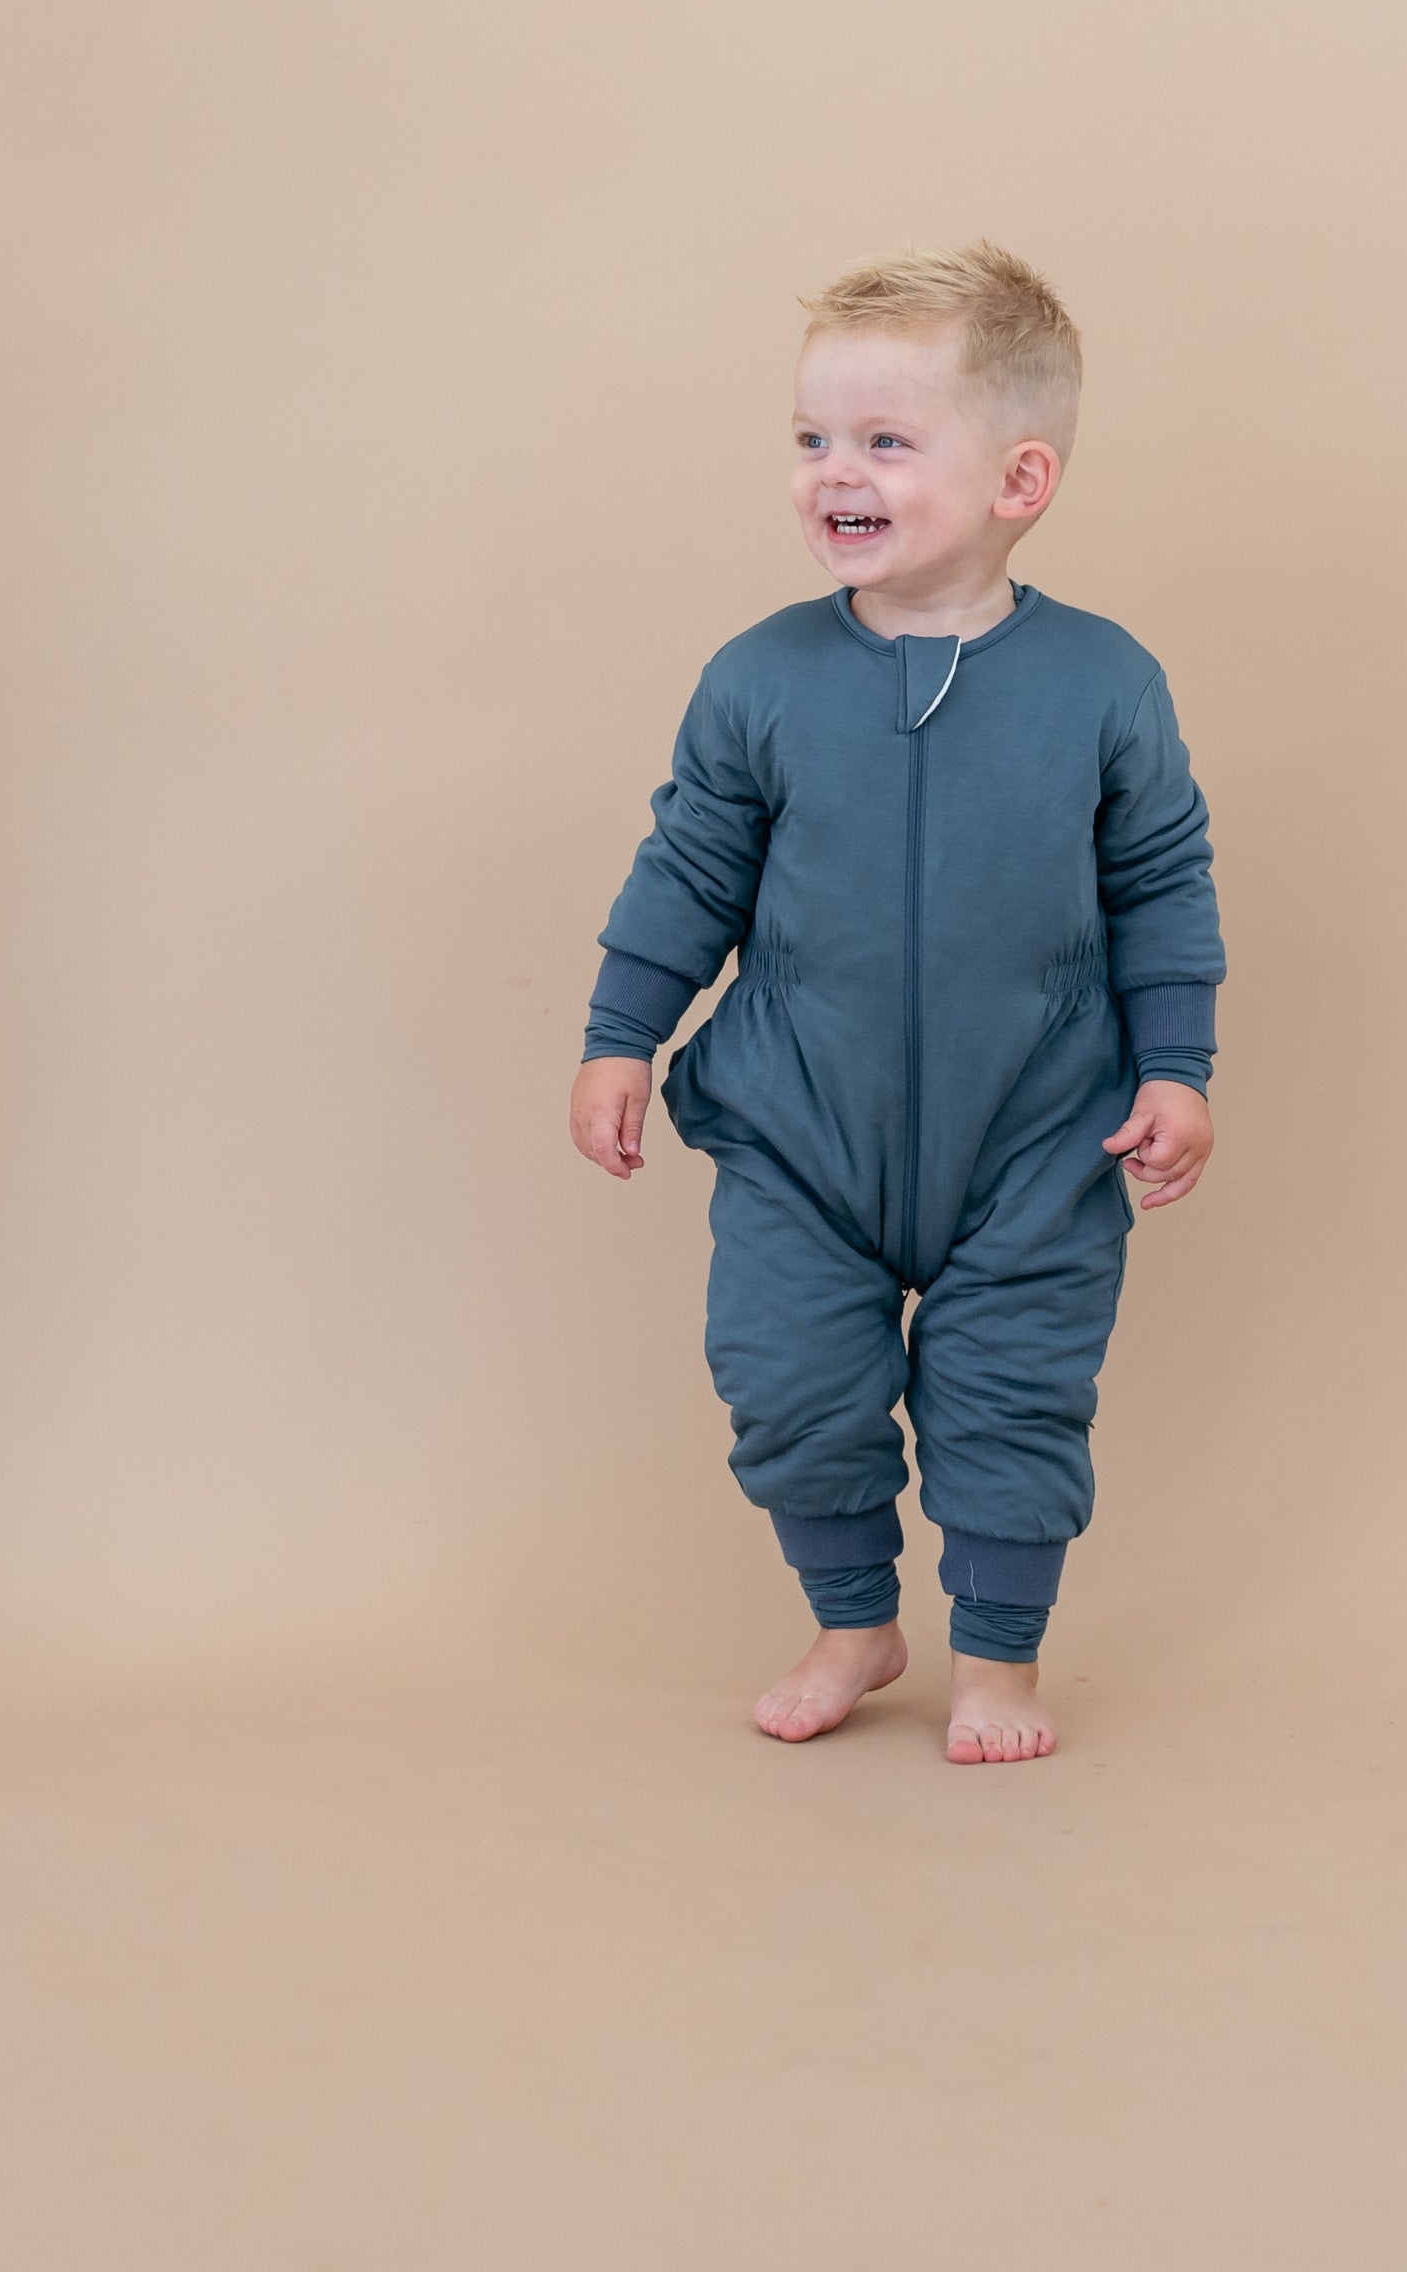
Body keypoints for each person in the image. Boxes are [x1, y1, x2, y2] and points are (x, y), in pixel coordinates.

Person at [565, 245, 1223, 1765]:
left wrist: (1176, 1066)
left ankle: (998, 1661)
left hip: (1040, 1132)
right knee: (787, 1378)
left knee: (1014, 1398)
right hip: (803, 1120)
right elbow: (689, 871)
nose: (832, 473)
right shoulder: (761, 681)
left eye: (882, 440)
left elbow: (1162, 883)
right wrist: (620, 1035)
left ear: (1020, 476)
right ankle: (855, 1620)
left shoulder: (1102, 682)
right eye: (811, 440)